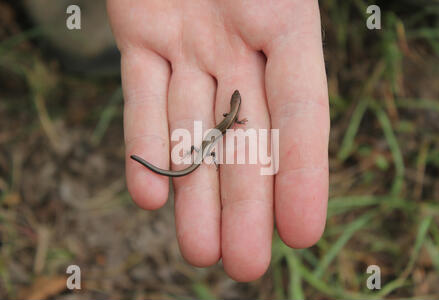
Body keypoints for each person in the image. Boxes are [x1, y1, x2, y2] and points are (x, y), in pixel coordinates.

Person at [107, 0, 329, 282]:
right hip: (209, 142)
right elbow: (231, 120)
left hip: (209, 142)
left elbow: (229, 120)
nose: (236, 100)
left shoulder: (230, 116)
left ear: (233, 105)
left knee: (202, 154)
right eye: (236, 100)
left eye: (236, 100)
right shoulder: (232, 117)